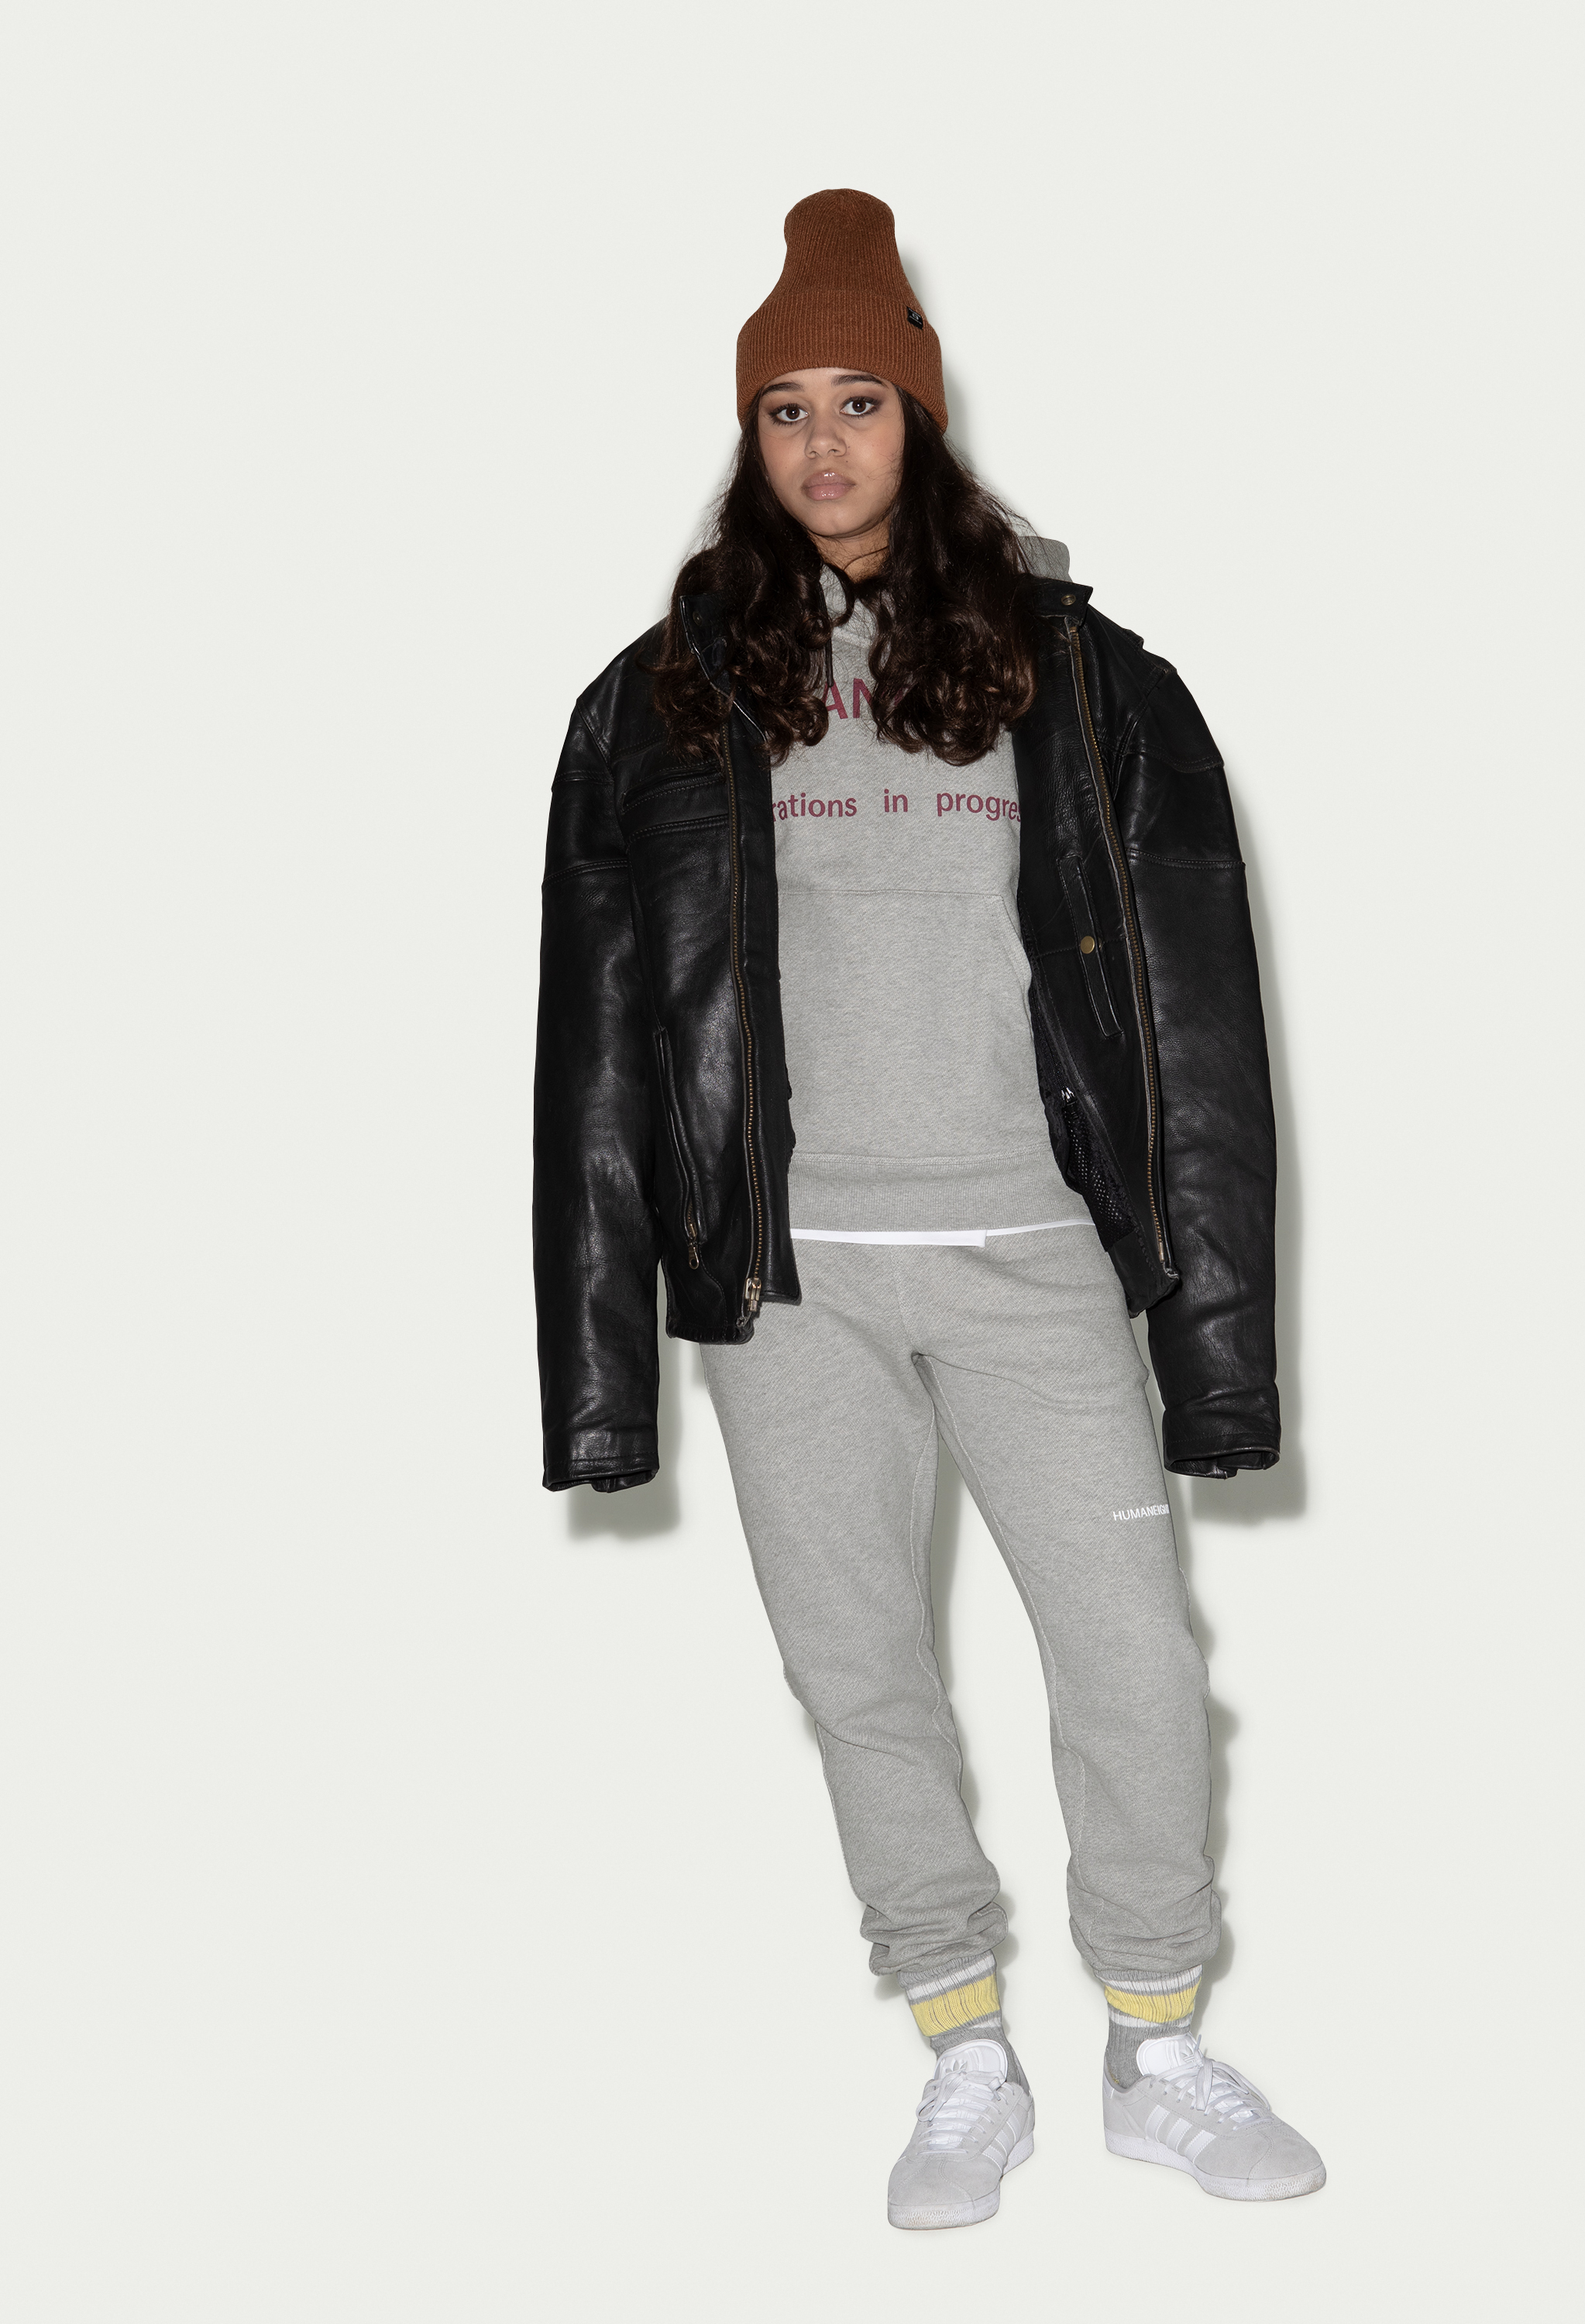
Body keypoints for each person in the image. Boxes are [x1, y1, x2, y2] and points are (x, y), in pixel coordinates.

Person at [532, 188, 1324, 2228]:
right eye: (784, 408)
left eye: (859, 400)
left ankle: (1156, 2044)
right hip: (782, 1289)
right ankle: (964, 2046)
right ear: (750, 434)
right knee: (862, 1676)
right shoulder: (663, 698)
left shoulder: (1085, 680)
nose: (823, 444)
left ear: (923, 414)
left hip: (1033, 1263)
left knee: (1133, 1660)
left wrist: (1219, 1348)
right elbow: (598, 1058)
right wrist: (601, 1382)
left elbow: (1197, 1026)